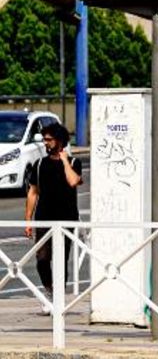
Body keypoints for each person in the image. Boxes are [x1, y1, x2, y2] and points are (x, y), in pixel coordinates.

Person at [24, 123, 83, 311]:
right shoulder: (39, 164)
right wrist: (28, 221)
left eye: (49, 140)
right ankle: (49, 291)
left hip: (66, 219)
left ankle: (58, 299)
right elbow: (33, 192)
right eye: (44, 140)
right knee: (42, 259)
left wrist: (65, 161)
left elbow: (73, 181)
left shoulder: (74, 163)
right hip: (44, 218)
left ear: (59, 140)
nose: (46, 143)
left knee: (61, 260)